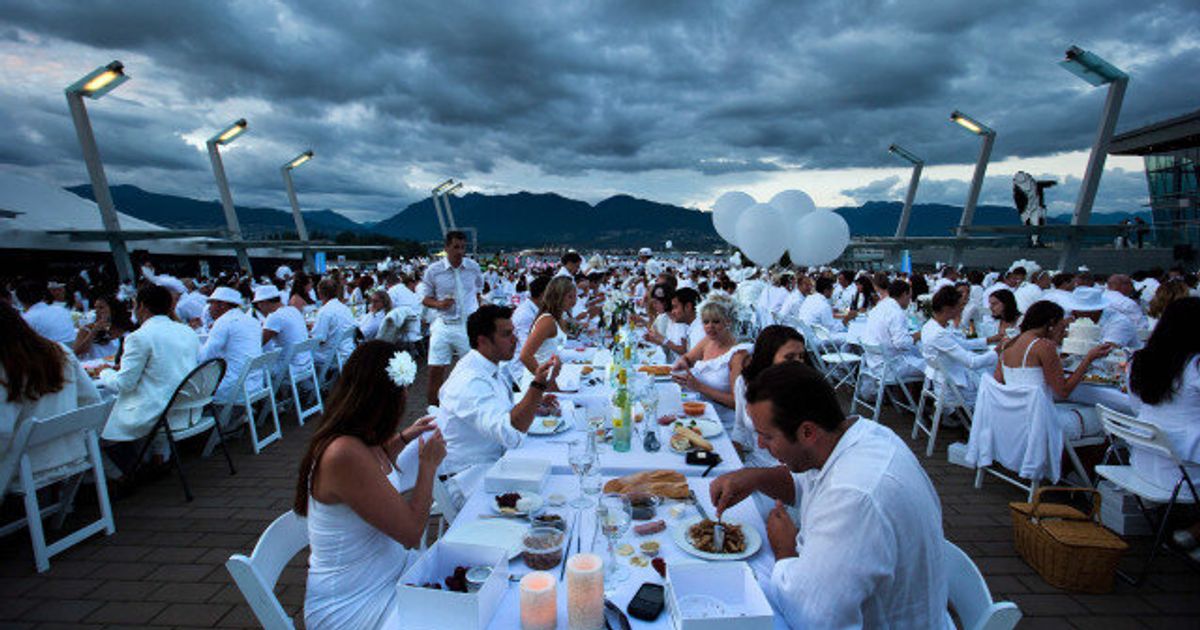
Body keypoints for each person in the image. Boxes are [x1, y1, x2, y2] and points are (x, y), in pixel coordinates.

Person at [709, 363, 950, 628]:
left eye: (767, 436)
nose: (760, 445)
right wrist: (754, 478)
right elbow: (806, 483)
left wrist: (784, 549)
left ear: (808, 432)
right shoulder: (857, 435)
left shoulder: (855, 497)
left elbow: (812, 615)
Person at [295, 341, 442, 630]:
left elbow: (373, 465)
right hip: (353, 603)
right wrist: (428, 466)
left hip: (389, 573)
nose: (405, 397)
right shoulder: (344, 453)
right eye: (402, 392)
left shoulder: (356, 438)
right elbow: (412, 533)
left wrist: (404, 438)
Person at [438, 305, 560, 497]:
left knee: (556, 467)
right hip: (467, 479)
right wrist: (537, 387)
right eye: (506, 334)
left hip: (495, 465)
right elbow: (510, 433)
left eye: (513, 333)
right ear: (483, 341)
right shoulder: (469, 381)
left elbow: (504, 412)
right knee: (553, 490)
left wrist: (535, 403)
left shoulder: (490, 366)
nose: (515, 340)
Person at [1126, 297, 1200, 560]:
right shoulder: (1195, 366)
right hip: (1182, 471)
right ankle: (1194, 531)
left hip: (1144, 461)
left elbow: (1135, 407)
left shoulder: (1141, 359)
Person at [1, 302, 102, 485]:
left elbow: (2, 430)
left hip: (27, 465)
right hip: (71, 453)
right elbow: (92, 399)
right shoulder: (60, 351)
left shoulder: (7, 366)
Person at [100, 285, 200, 454]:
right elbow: (164, 365)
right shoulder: (187, 331)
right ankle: (156, 458)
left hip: (159, 412)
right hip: (188, 408)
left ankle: (121, 473)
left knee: (96, 427)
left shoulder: (138, 337)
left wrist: (105, 372)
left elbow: (124, 385)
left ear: (142, 306)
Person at [994, 301, 1110, 440]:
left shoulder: (1008, 343)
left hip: (1015, 419)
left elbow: (998, 382)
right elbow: (1063, 391)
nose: (1064, 332)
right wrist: (1088, 360)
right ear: (1051, 323)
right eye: (1062, 327)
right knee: (1105, 415)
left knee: (1076, 406)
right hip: (1041, 424)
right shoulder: (1044, 346)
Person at [419, 231, 484, 406]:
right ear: (446, 248)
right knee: (435, 370)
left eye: (463, 247)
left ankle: (473, 405)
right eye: (456, 247)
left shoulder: (473, 267)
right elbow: (425, 298)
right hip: (444, 324)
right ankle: (433, 411)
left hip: (467, 325)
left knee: (473, 369)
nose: (460, 252)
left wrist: (477, 315)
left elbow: (478, 290)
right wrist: (439, 304)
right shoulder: (434, 271)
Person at [729, 325, 808, 467]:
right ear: (768, 357)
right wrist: (734, 460)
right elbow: (740, 427)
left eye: (801, 356)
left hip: (794, 474)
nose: (798, 363)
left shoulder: (806, 390)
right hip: (754, 464)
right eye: (789, 357)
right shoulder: (745, 383)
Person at [671, 298, 750, 431]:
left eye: (716, 322)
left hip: (722, 423)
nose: (710, 326)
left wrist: (699, 387)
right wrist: (682, 364)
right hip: (699, 413)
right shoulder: (708, 341)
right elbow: (688, 359)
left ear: (728, 322)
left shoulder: (738, 355)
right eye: (706, 322)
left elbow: (738, 403)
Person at [921, 286, 997, 406]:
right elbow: (971, 362)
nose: (961, 309)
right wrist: (998, 351)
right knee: (994, 382)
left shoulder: (930, 325)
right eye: (959, 306)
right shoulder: (938, 334)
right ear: (948, 309)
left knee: (986, 370)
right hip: (952, 389)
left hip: (942, 382)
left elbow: (962, 344)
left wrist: (991, 340)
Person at [199, 286, 263, 405]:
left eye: (211, 304)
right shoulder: (252, 321)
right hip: (256, 384)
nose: (209, 309)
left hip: (234, 388)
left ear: (222, 305)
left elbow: (205, 357)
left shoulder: (224, 321)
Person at [518, 276, 575, 389]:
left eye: (575, 297)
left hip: (550, 378)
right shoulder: (547, 321)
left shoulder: (558, 318)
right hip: (536, 384)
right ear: (558, 297)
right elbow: (525, 356)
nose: (574, 301)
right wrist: (543, 382)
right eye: (570, 297)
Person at [863, 279, 923, 379]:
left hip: (873, 363)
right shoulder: (896, 312)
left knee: (915, 355)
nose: (910, 301)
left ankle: (903, 393)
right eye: (909, 297)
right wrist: (917, 335)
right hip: (890, 367)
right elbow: (901, 344)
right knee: (932, 367)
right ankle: (918, 394)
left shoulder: (879, 306)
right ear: (904, 294)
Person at [252, 285, 311, 380]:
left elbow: (258, 343)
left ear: (265, 302)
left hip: (291, 367)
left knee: (254, 370)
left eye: (259, 304)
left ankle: (269, 394)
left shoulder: (274, 317)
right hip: (306, 362)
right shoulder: (292, 310)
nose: (259, 307)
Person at [1066, 286, 1139, 350]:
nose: (1073, 312)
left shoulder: (1119, 322)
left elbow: (1108, 349)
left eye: (1077, 310)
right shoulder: (1073, 318)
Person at [310, 278, 357, 372]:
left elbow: (319, 339)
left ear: (320, 293)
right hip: (347, 351)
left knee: (299, 355)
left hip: (331, 356)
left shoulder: (325, 311)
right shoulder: (344, 308)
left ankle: (307, 383)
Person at [73, 294, 133, 361]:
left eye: (101, 308)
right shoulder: (87, 329)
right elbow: (76, 352)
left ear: (112, 309)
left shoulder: (122, 329)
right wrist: (94, 331)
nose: (97, 311)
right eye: (95, 308)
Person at [16, 280, 77, 346]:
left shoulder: (27, 318)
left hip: (54, 353)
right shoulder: (61, 309)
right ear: (43, 296)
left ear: (20, 300)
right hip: (71, 352)